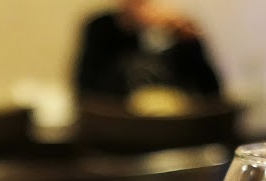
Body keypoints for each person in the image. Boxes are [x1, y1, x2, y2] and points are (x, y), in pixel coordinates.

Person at [73, 0, 223, 104]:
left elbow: (211, 92)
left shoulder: (178, 31)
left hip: (174, 125)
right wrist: (126, 27)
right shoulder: (102, 28)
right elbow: (85, 89)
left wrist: (190, 42)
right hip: (119, 126)